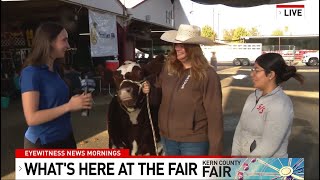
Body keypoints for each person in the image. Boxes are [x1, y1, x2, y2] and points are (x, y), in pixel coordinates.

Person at [142, 24, 223, 155]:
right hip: (167, 139)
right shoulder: (169, 69)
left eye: (182, 45)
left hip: (194, 142)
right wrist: (149, 89)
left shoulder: (208, 74)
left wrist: (215, 151)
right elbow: (158, 94)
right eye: (176, 44)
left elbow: (215, 115)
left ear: (193, 48)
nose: (177, 48)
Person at [20, 22, 93, 149]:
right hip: (43, 143)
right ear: (49, 42)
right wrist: (69, 106)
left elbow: (56, 102)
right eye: (64, 40)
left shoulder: (57, 69)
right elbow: (31, 118)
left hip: (66, 137)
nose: (68, 45)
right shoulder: (31, 73)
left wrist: (79, 101)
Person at [231, 53, 304, 157]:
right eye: (253, 70)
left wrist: (245, 167)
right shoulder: (252, 97)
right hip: (245, 164)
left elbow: (269, 146)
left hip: (268, 167)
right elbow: (240, 130)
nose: (252, 74)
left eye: (256, 70)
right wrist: (235, 157)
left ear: (270, 75)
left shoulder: (280, 104)